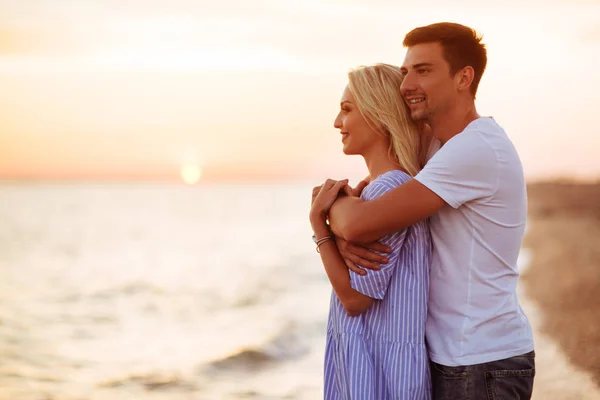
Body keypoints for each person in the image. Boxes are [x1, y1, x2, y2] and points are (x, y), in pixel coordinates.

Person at [324, 22, 536, 399]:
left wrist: (327, 212)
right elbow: (377, 207)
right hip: (453, 357)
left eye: (423, 70)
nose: (406, 85)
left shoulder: (476, 149)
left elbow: (361, 223)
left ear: (463, 78)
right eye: (405, 72)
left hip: (481, 361)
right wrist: (345, 225)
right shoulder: (439, 150)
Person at [310, 63, 432, 399]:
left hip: (379, 373)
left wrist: (319, 226)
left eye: (346, 110)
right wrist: (335, 232)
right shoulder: (375, 191)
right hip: (373, 362)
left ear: (380, 116)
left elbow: (355, 299)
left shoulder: (389, 188)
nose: (337, 122)